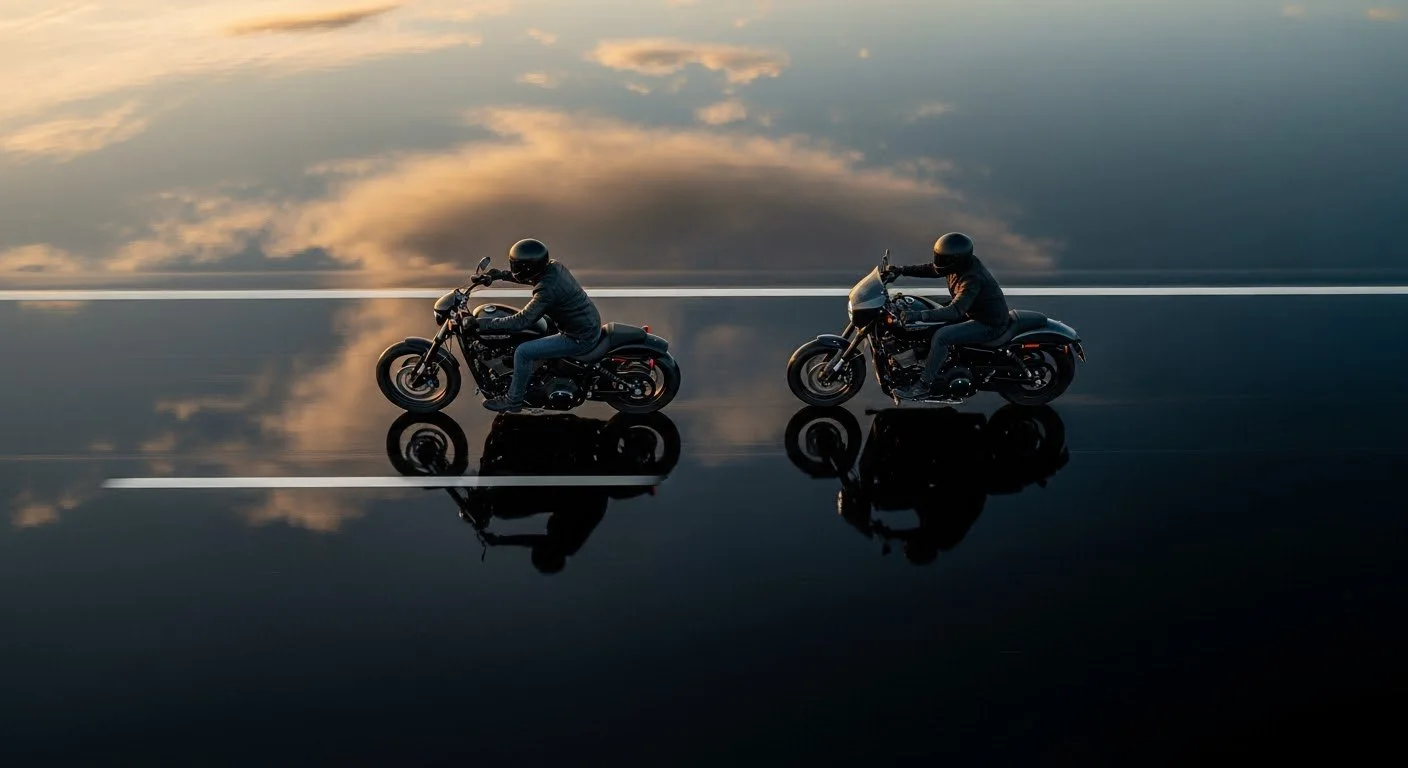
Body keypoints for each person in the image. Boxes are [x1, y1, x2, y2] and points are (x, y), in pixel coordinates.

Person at [476, 238, 602, 412]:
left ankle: (513, 401)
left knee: (523, 352)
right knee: (538, 331)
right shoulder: (552, 267)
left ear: (528, 268)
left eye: (517, 266)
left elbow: (521, 321)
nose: (515, 269)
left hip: (579, 336)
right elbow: (529, 277)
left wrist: (486, 324)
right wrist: (498, 275)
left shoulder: (547, 289)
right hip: (583, 322)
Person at [881, 232, 1012, 399]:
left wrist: (917, 315)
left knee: (942, 336)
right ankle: (925, 356)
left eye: (943, 259)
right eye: (939, 257)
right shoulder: (958, 265)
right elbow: (933, 269)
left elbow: (954, 311)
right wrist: (901, 271)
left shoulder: (971, 279)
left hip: (988, 323)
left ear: (955, 260)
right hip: (971, 310)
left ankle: (924, 384)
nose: (939, 262)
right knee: (926, 303)